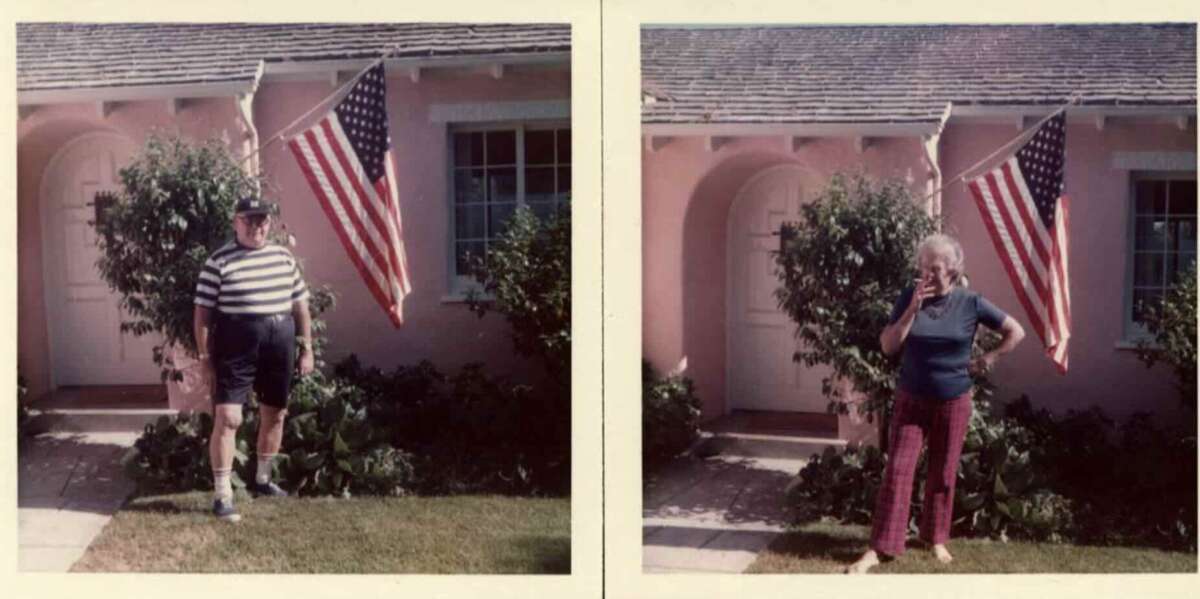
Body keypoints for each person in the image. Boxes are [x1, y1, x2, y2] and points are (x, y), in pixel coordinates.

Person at [846, 233, 1025, 573]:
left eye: (935, 268)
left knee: (943, 472)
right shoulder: (908, 298)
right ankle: (881, 547)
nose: (926, 274)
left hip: (953, 400)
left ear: (953, 270)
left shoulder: (971, 302)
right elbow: (888, 346)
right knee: (898, 470)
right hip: (911, 398)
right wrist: (913, 308)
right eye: (923, 267)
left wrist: (988, 358)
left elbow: (1015, 331)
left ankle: (935, 538)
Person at [193, 196, 315, 522]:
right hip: (237, 342)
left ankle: (263, 480)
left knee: (275, 413)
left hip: (280, 340)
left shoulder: (283, 258)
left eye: (261, 221)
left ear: (269, 224)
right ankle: (222, 495)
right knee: (229, 417)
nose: (256, 227)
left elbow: (301, 306)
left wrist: (307, 348)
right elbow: (202, 315)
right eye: (248, 220)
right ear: (235, 222)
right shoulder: (218, 262)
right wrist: (205, 358)